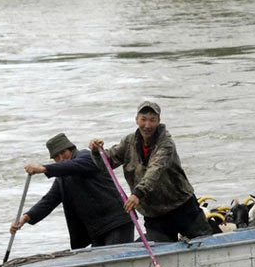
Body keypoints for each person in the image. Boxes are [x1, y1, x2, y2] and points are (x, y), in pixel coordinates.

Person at [89, 101, 213, 242]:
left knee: (205, 243)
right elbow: (106, 163)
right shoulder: (128, 142)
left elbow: (155, 170)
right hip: (154, 215)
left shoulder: (166, 143)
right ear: (137, 120)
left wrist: (137, 194)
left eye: (152, 120)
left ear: (158, 121)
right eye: (143, 119)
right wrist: (96, 151)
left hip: (182, 206)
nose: (147, 125)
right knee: (162, 254)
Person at [10, 133, 134, 249]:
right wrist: (25, 218)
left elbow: (73, 166)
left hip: (117, 221)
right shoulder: (62, 177)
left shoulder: (87, 157)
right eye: (56, 157)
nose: (61, 158)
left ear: (71, 149)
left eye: (63, 153)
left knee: (113, 261)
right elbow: (49, 200)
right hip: (96, 229)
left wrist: (44, 168)